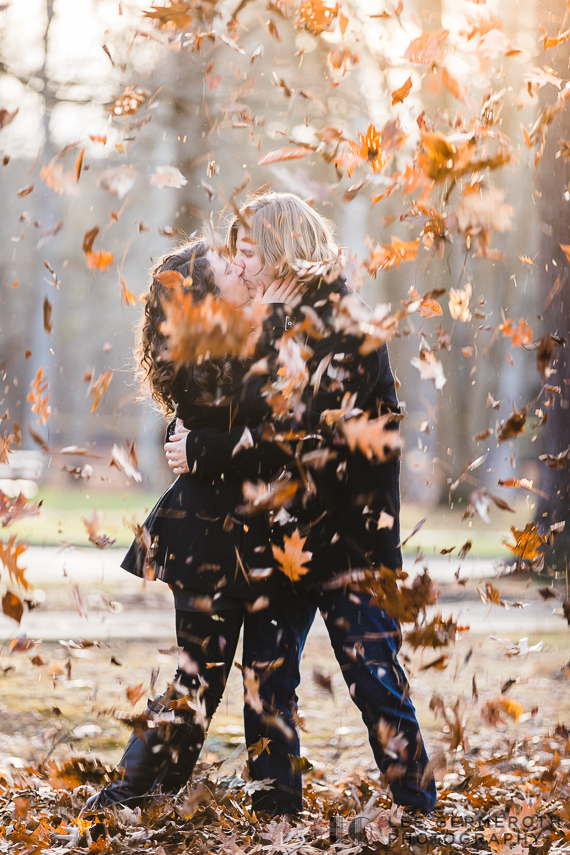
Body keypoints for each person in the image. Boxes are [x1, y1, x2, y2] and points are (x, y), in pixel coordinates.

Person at [165, 193, 437, 815]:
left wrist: (202, 450)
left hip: (351, 543)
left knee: (374, 680)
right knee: (267, 683)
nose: (245, 265)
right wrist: (187, 430)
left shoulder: (349, 325)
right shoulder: (273, 321)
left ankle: (419, 811)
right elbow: (242, 409)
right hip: (283, 538)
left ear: (286, 249)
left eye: (252, 251)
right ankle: (275, 817)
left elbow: (304, 436)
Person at [85, 240, 311, 814]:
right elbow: (271, 422)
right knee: (197, 685)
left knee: (260, 691)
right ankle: (130, 798)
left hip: (254, 539)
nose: (238, 264)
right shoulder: (214, 349)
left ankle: (271, 814)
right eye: (224, 265)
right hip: (208, 541)